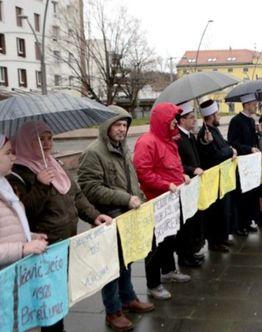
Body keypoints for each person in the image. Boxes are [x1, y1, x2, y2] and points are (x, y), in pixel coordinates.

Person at [9, 121, 112, 332]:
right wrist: (40, 185)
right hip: (43, 249)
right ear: (26, 143)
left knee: (58, 295)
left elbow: (77, 196)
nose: (46, 143)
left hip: (65, 244)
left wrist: (94, 216)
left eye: (49, 138)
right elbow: (23, 214)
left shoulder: (53, 163)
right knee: (48, 299)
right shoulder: (18, 173)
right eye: (40, 139)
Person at [77, 106, 155, 331]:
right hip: (109, 217)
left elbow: (131, 179)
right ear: (106, 126)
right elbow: (90, 189)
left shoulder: (122, 148)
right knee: (110, 266)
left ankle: (128, 297)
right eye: (117, 125)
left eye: (125, 125)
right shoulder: (94, 152)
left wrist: (139, 197)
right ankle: (112, 311)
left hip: (127, 215)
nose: (122, 129)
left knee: (126, 259)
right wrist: (126, 198)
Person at [132, 102, 191, 301]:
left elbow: (172, 166)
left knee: (170, 238)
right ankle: (153, 284)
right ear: (163, 120)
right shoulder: (147, 142)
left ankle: (168, 271)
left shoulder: (169, 140)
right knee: (157, 245)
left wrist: (181, 175)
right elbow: (143, 173)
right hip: (156, 202)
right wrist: (166, 185)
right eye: (173, 119)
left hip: (171, 200)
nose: (175, 122)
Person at [0, 134, 48, 269]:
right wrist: (22, 248)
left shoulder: (5, 186)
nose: (13, 157)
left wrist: (30, 236)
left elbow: (7, 231)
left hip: (16, 274)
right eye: (8, 153)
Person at [196, 99, 238, 253]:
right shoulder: (205, 134)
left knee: (224, 210)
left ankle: (222, 238)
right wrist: (230, 151)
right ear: (211, 116)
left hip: (222, 178)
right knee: (216, 212)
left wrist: (230, 148)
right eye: (217, 114)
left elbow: (224, 144)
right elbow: (216, 154)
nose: (219, 116)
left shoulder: (213, 130)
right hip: (213, 179)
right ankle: (215, 242)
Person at [174, 102, 207, 265]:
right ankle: (184, 256)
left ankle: (191, 252)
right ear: (181, 120)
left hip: (193, 185)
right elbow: (177, 164)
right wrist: (192, 170)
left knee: (193, 221)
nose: (195, 120)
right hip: (184, 184)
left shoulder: (189, 135)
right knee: (185, 224)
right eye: (191, 117)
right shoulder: (178, 138)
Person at [228, 93, 261, 235]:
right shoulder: (236, 120)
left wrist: (258, 136)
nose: (256, 105)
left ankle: (247, 222)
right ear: (246, 104)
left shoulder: (252, 121)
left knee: (251, 194)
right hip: (241, 163)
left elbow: (252, 140)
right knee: (242, 196)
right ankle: (239, 226)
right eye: (254, 103)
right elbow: (233, 142)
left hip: (251, 162)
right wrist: (249, 148)